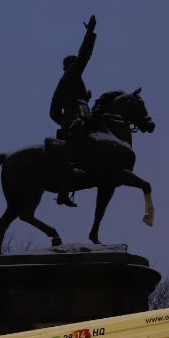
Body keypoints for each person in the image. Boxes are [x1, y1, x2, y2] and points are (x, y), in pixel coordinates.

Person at [48, 14, 97, 208]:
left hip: (78, 116)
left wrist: (85, 100)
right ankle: (71, 167)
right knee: (80, 130)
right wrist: (89, 33)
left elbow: (53, 112)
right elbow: (85, 55)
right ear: (69, 66)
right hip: (76, 119)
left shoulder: (69, 83)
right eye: (75, 64)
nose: (78, 66)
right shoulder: (70, 75)